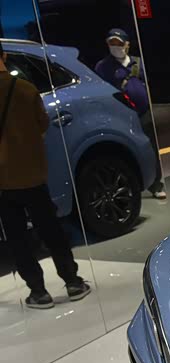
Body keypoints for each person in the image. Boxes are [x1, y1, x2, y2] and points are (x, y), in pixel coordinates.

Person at [0, 40, 91, 309]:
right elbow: (42, 124)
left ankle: (38, 292)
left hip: (3, 181)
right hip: (33, 174)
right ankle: (72, 281)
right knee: (51, 230)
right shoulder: (25, 89)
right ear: (4, 56)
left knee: (17, 238)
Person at [95, 28, 167, 200]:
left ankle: (156, 184)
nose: (115, 46)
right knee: (126, 151)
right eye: (111, 43)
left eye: (118, 43)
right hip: (121, 116)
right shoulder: (102, 67)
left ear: (127, 44)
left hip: (143, 113)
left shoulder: (137, 62)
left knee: (151, 149)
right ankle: (126, 187)